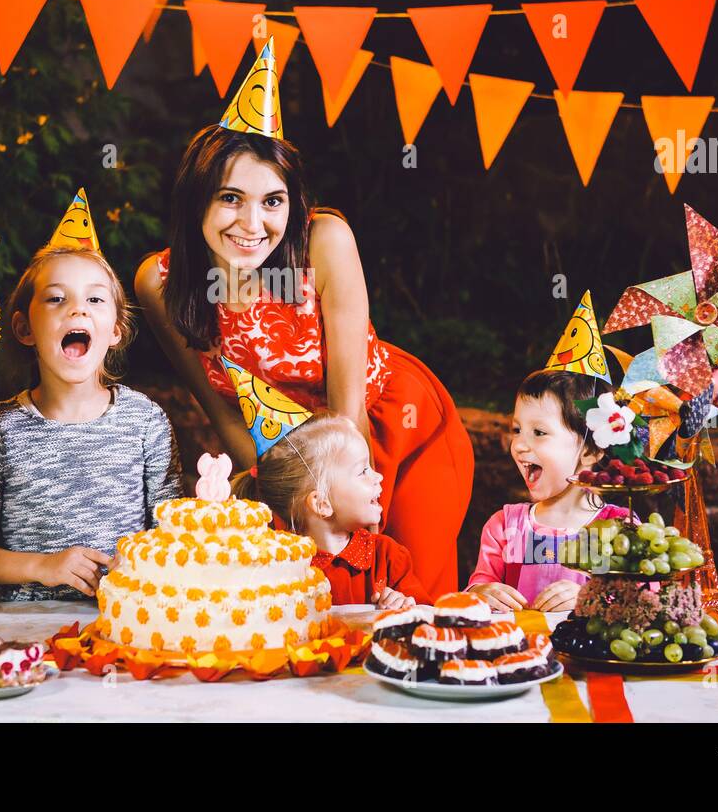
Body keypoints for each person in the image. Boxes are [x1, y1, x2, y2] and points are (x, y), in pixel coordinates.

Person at [135, 41, 473, 597]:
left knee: (408, 596)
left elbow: (348, 413)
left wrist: (350, 512)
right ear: (196, 201)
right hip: (289, 460)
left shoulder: (324, 242)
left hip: (391, 430)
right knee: (300, 598)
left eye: (272, 201)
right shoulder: (159, 283)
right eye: (230, 198)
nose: (252, 223)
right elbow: (225, 417)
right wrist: (281, 497)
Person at [0, 198, 182, 601]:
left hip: (124, 623)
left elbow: (174, 536)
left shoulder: (147, 423)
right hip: (26, 630)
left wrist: (144, 563)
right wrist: (43, 566)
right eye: (56, 298)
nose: (78, 310)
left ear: (116, 330)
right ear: (24, 328)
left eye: (95, 300)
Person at [227, 394, 431, 609]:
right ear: (321, 503)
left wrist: (405, 604)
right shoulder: (279, 567)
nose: (378, 476)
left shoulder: (387, 558)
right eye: (362, 471)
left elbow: (427, 616)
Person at [466, 369, 631, 612]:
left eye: (539, 433)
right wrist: (480, 593)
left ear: (590, 451)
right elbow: (478, 587)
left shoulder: (621, 529)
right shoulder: (504, 527)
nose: (519, 445)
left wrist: (592, 597)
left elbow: (642, 601)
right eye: (517, 430)